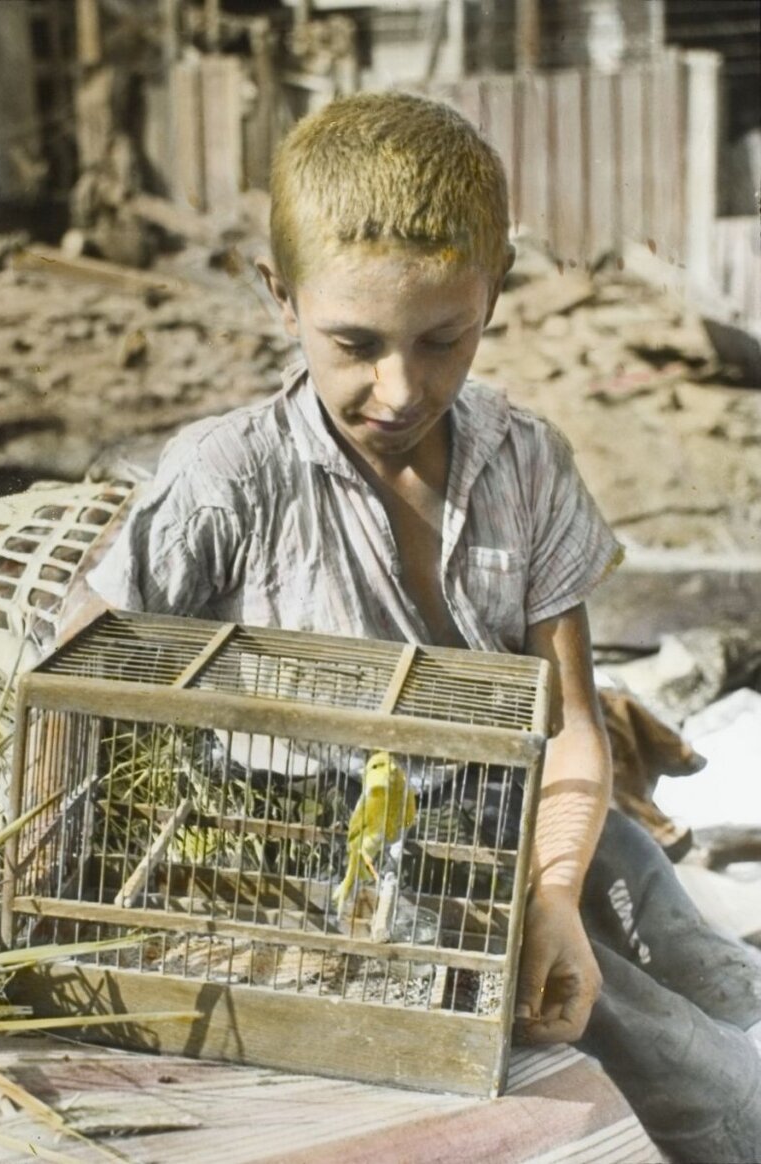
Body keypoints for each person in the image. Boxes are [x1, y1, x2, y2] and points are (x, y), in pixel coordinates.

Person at [74, 93, 761, 1161]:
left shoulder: (524, 461)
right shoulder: (226, 479)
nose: (399, 389)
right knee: (685, 1067)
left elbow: (571, 719)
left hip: (538, 819)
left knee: (712, 972)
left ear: (497, 294)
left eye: (444, 340)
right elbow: (77, 675)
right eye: (354, 344)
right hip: (349, 855)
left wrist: (553, 891)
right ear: (279, 293)